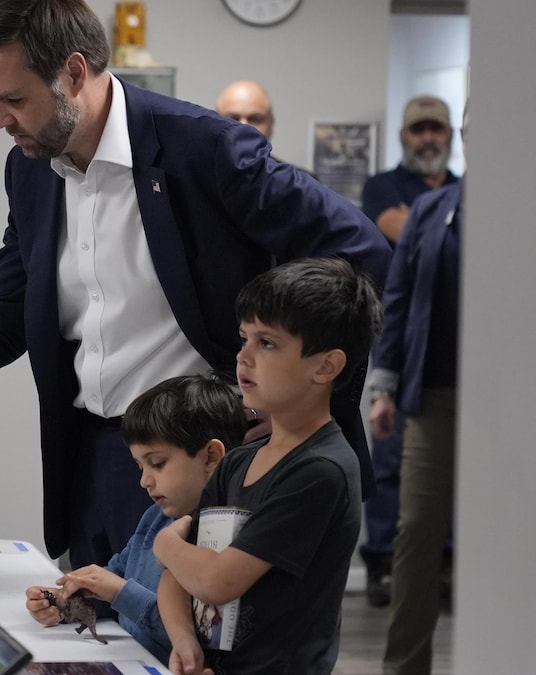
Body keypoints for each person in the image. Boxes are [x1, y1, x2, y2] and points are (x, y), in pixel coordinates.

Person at [0, 0, 391, 571]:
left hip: (208, 458)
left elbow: (363, 253)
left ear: (74, 73)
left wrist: (297, 402)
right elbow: (6, 315)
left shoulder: (204, 148)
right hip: (95, 460)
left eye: (14, 99)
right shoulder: (29, 171)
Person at [153, 257, 383, 674]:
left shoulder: (320, 470)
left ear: (326, 365)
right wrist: (186, 642)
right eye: (244, 338)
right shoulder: (238, 461)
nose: (243, 357)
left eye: (268, 343)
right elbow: (176, 578)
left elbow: (217, 581)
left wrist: (166, 544)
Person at [23, 374, 247, 663]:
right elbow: (117, 577)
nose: (144, 481)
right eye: (140, 466)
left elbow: (201, 640)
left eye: (157, 463)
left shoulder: (226, 537)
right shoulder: (156, 517)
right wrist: (65, 601)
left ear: (210, 457)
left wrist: (120, 593)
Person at [370, 106, 467, 675]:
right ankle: (404, 667)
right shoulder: (436, 208)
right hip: (434, 395)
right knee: (416, 534)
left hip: (512, 403)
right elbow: (400, 300)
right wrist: (384, 386)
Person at [361, 95, 458, 244]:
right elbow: (405, 231)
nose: (428, 138)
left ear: (450, 134)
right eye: (418, 130)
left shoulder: (464, 190)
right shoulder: (380, 186)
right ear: (402, 136)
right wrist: (456, 226)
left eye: (436, 129)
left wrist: (415, 219)